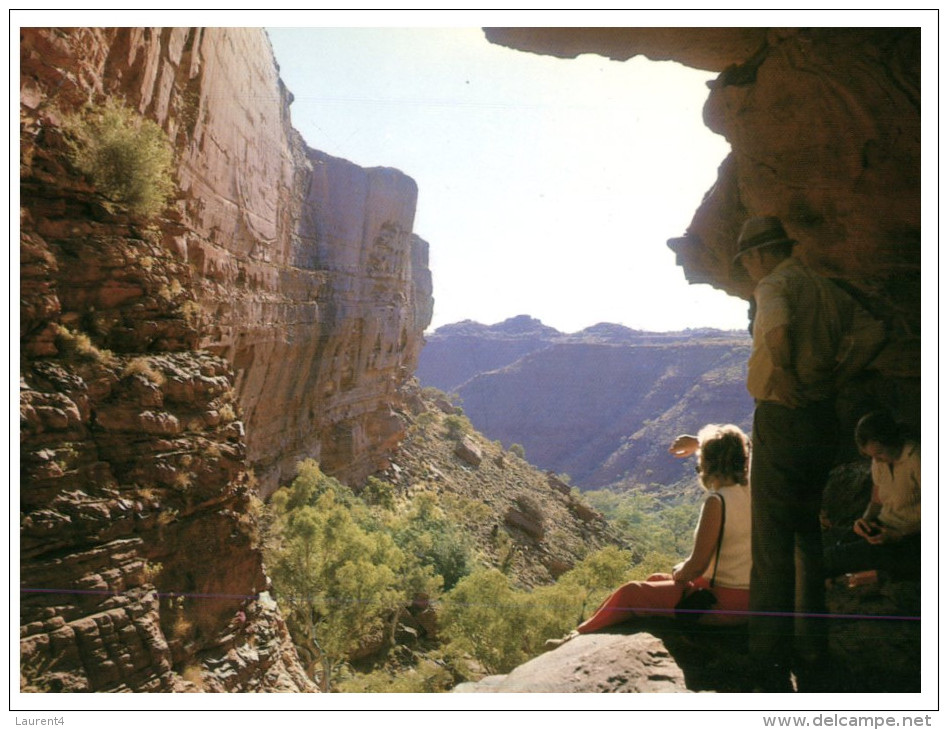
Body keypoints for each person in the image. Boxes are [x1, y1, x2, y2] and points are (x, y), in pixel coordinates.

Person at [733, 215, 884, 691]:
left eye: (747, 261)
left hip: (782, 415)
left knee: (772, 543)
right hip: (822, 418)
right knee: (806, 538)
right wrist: (836, 378)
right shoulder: (827, 288)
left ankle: (768, 662)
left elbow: (776, 330)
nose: (749, 270)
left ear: (759, 255)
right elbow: (876, 331)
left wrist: (786, 373)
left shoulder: (776, 284)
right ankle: (813, 651)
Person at [544, 424, 752, 648]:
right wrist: (701, 442)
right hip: (744, 597)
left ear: (709, 464)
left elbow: (696, 567)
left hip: (721, 604)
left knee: (632, 593)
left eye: (700, 461)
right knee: (654, 579)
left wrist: (679, 571)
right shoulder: (750, 490)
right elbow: (746, 445)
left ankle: (575, 638)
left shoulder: (717, 502)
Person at [824, 411, 920, 581]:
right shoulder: (879, 461)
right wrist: (865, 520)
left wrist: (897, 536)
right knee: (823, 543)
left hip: (908, 538)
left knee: (830, 558)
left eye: (880, 453)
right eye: (871, 456)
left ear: (893, 441)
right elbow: (876, 501)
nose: (876, 460)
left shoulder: (917, 460)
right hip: (882, 527)